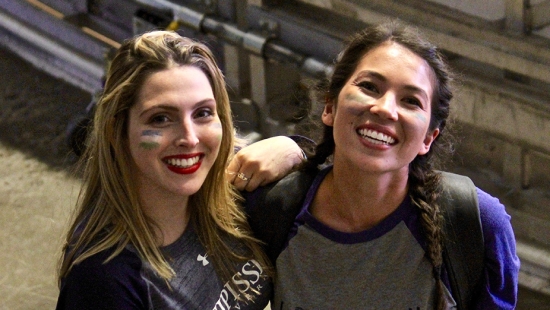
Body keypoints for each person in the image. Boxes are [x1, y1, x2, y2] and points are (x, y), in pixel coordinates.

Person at [230, 20, 520, 309]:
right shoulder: (270, 207)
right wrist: (294, 147)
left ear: (428, 138)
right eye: (369, 87)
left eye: (411, 101)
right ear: (330, 107)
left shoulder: (475, 225)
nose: (384, 109)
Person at [55, 30, 275, 309]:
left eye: (203, 113)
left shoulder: (234, 181)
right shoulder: (104, 277)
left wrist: (293, 149)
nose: (190, 138)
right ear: (117, 131)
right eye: (160, 119)